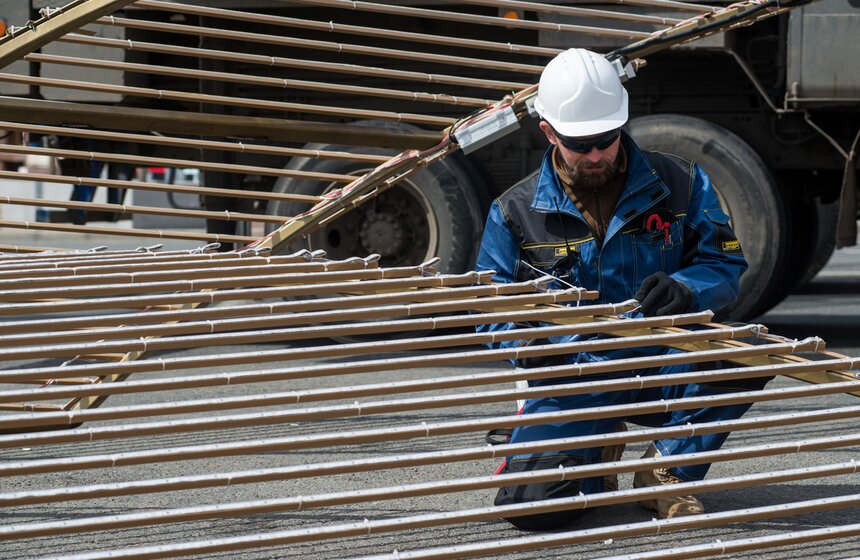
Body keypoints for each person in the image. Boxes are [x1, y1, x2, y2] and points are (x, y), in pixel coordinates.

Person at [475, 48, 759, 531]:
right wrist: (524, 343)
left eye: (606, 140)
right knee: (536, 511)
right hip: (573, 374)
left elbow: (724, 263)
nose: (596, 154)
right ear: (549, 132)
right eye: (580, 143)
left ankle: (667, 468)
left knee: (745, 351)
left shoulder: (681, 183)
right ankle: (595, 443)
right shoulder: (513, 211)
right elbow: (489, 306)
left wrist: (688, 288)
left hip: (659, 360)